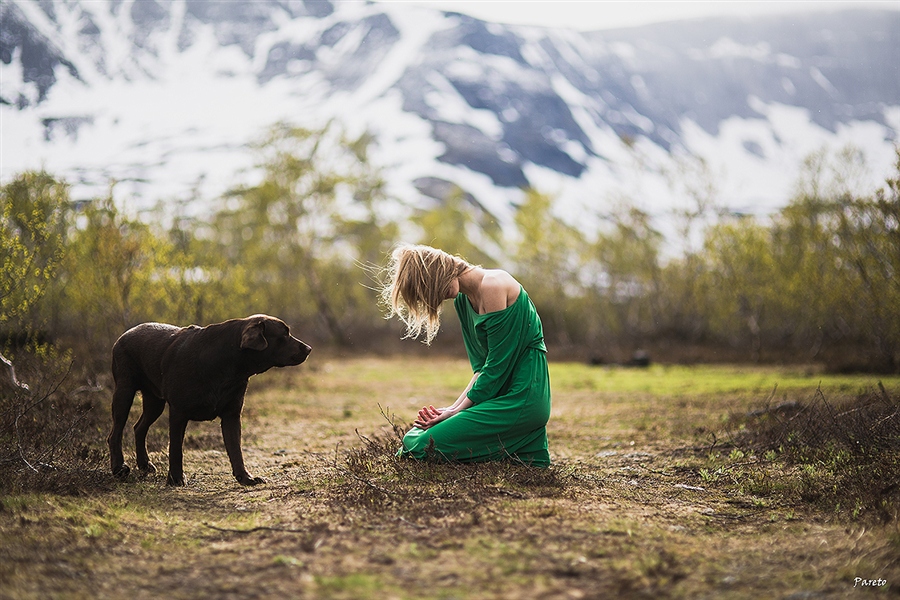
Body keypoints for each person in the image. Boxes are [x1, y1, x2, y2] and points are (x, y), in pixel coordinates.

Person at [381, 244, 551, 467]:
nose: (439, 297)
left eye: (433, 288)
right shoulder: (463, 301)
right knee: (414, 436)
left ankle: (517, 438)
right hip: (496, 394)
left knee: (423, 445)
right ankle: (515, 447)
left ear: (440, 272)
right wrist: (451, 409)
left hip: (521, 396)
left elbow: (496, 367)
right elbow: (481, 368)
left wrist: (455, 411)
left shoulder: (493, 286)